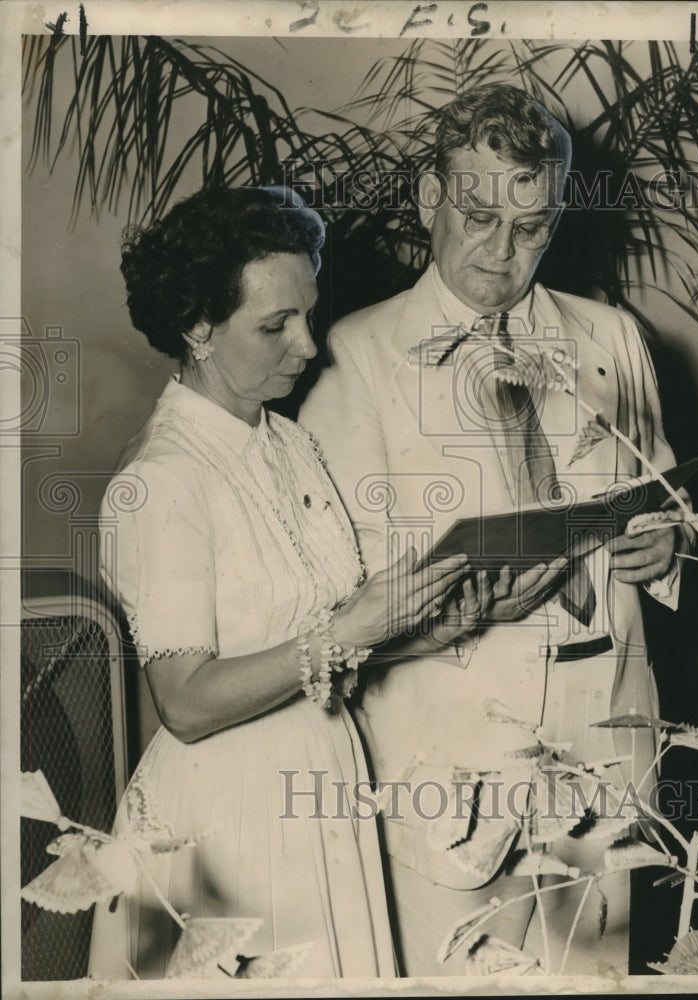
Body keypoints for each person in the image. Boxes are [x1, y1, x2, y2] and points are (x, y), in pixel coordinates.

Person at [300, 85, 689, 976]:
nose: (499, 251)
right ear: (429, 199)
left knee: (594, 978)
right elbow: (334, 591)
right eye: (477, 215)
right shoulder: (355, 355)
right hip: (450, 760)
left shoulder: (611, 338)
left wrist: (663, 548)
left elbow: (665, 502)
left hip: (606, 743)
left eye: (529, 227)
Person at [87, 185, 483, 980]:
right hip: (225, 815)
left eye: (307, 311)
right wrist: (349, 631)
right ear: (198, 328)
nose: (309, 345)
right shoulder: (163, 481)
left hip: (322, 776)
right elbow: (188, 705)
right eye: (275, 325)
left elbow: (316, 639)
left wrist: (415, 629)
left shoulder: (286, 441)